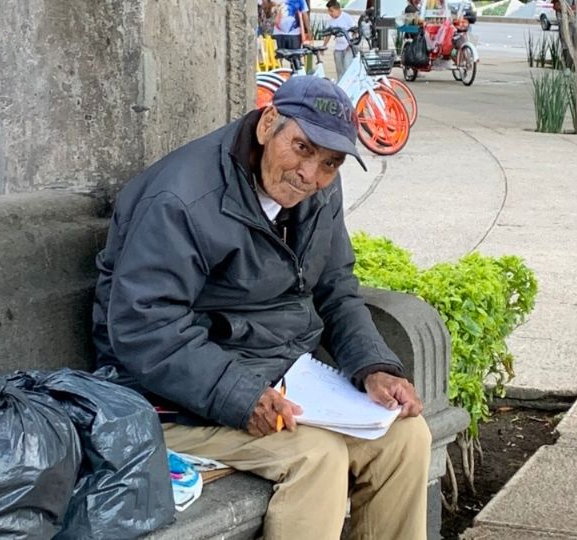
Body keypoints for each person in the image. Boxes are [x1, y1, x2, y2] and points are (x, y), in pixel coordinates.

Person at [92, 76, 431, 540]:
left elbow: (336, 288)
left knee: (406, 438)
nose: (310, 174)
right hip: (170, 399)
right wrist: (239, 394)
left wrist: (373, 365)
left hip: (278, 377)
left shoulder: (319, 193)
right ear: (268, 123)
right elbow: (144, 326)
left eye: (330, 163)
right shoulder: (183, 198)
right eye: (302, 148)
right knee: (318, 457)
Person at [324, 0, 356, 79]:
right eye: (329, 11)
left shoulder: (347, 17)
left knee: (347, 67)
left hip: (348, 47)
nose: (330, 13)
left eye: (332, 11)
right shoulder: (331, 21)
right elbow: (329, 34)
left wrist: (352, 43)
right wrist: (324, 45)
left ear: (338, 9)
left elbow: (355, 31)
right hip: (338, 48)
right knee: (339, 69)